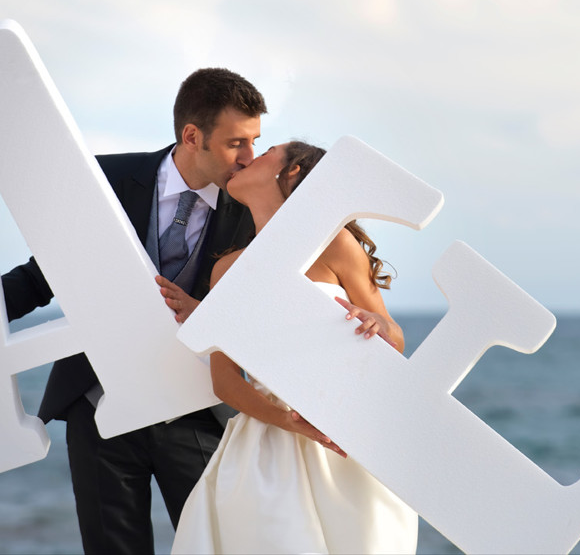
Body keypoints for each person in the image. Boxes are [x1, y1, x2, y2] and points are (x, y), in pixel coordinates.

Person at [0, 68, 267, 554]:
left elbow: (257, 314)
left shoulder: (254, 210)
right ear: (192, 136)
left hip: (196, 410)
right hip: (98, 407)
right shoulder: (105, 179)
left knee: (216, 546)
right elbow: (45, 274)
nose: (250, 157)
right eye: (238, 142)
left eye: (256, 141)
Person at [170, 141, 419, 555]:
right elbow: (225, 380)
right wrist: (288, 420)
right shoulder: (227, 269)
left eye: (265, 150)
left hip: (345, 440)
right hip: (267, 447)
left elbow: (394, 338)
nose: (248, 156)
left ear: (291, 172)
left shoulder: (335, 244)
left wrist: (377, 324)